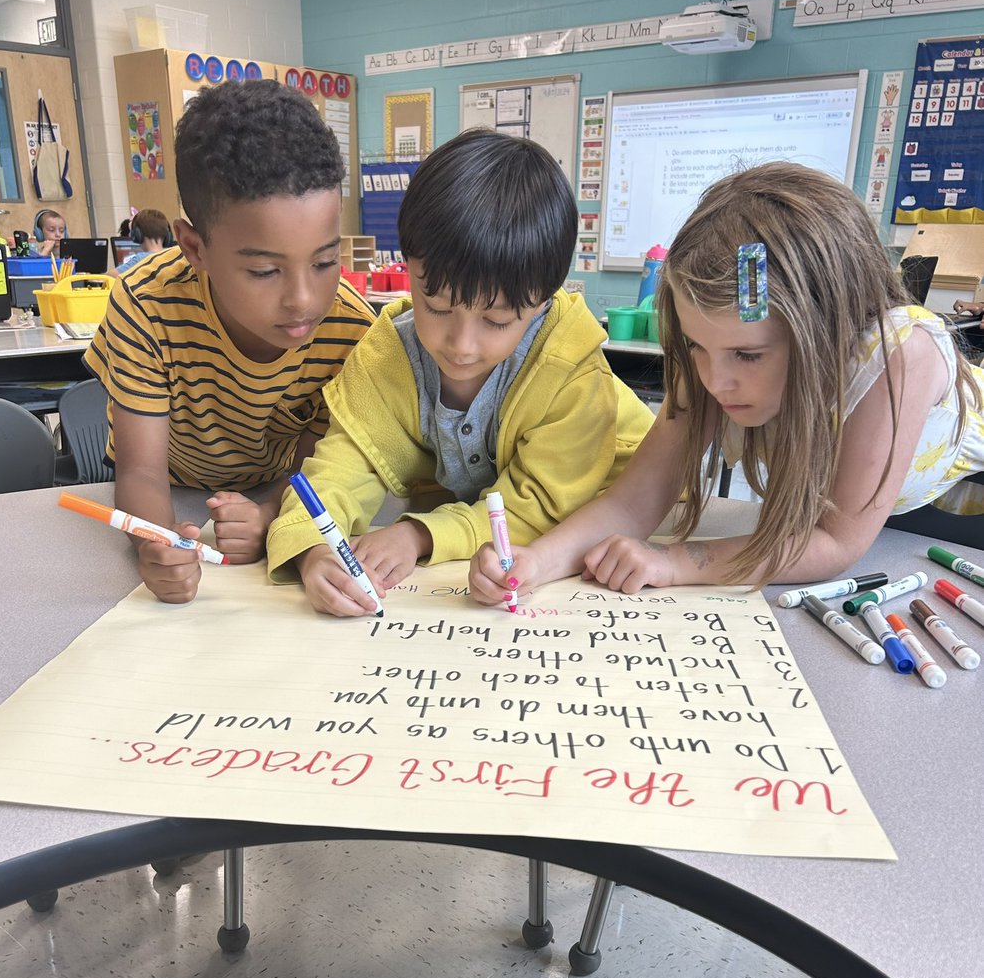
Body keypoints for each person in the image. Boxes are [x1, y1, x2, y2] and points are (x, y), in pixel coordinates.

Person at [470, 161, 984, 605]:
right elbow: (633, 503)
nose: (715, 380)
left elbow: (834, 540)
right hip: (876, 512)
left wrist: (677, 562)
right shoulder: (717, 353)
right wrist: (536, 562)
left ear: (824, 330)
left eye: (749, 354)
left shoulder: (902, 354)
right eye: (697, 345)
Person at [267, 127, 656, 616]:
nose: (462, 345)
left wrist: (419, 533)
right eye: (435, 306)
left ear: (541, 304)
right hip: (494, 536)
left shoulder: (570, 369)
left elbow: (544, 507)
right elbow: (342, 469)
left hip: (618, 516)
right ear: (409, 267)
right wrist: (313, 548)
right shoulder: (387, 357)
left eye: (496, 321)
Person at [84, 80, 375, 604]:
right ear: (195, 247)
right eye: (265, 270)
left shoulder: (351, 330)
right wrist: (157, 543)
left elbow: (317, 472)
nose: (304, 299)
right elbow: (141, 470)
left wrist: (268, 516)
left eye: (326, 260)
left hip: (275, 490)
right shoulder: (146, 303)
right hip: (165, 491)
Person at [108, 207, 173, 276]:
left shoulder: (140, 259)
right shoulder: (174, 254)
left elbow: (111, 275)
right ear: (168, 236)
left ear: (137, 234)